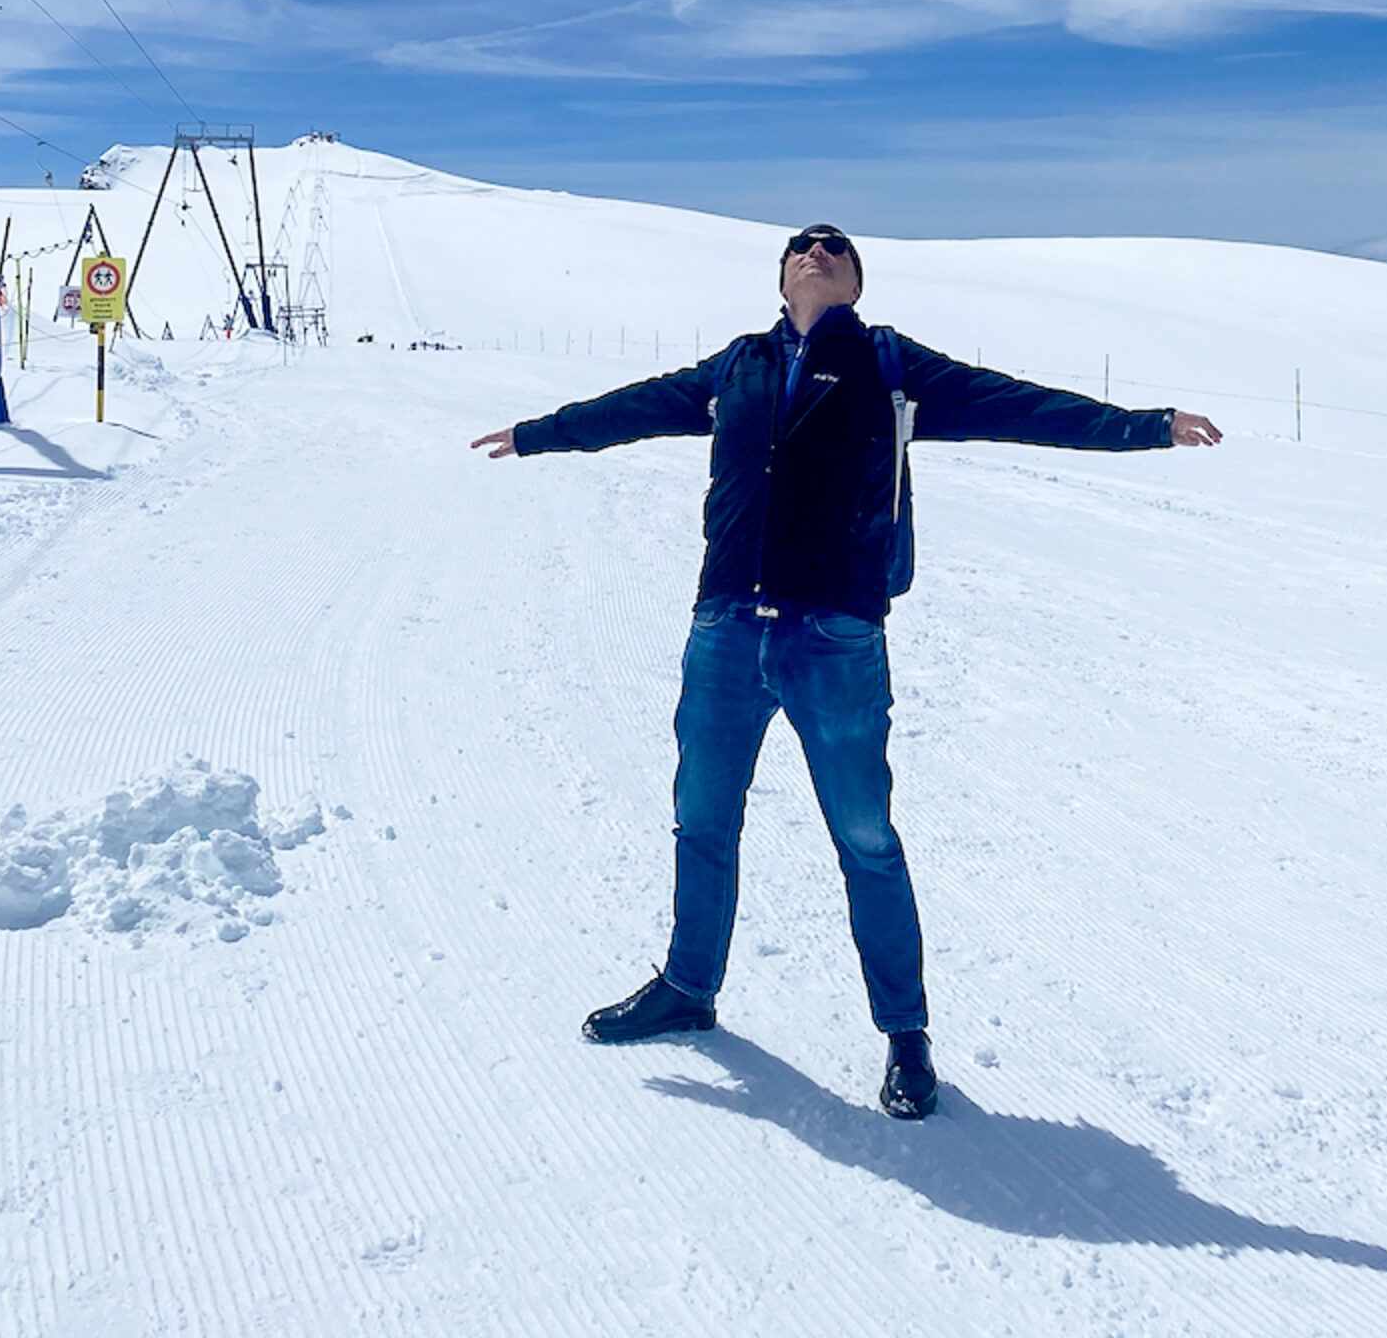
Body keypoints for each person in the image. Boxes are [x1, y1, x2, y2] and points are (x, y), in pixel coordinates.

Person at [471, 223, 1222, 1120]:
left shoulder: (891, 365)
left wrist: (1147, 426)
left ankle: (905, 1036)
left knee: (866, 839)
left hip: (834, 637)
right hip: (724, 631)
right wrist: (537, 433)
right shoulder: (739, 366)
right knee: (701, 819)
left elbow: (1020, 406)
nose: (815, 249)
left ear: (857, 281)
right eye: (800, 246)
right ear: (783, 276)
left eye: (835, 246)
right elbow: (631, 409)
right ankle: (687, 986)